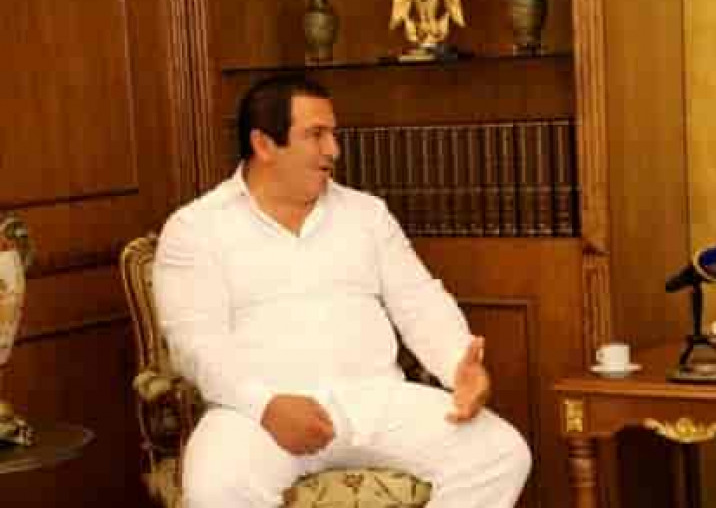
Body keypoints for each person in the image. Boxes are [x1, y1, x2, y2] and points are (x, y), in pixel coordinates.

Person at [153, 74, 531, 508]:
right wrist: (266, 405)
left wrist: (457, 365)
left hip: (375, 402)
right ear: (264, 144)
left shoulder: (367, 214)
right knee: (214, 489)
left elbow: (419, 301)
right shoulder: (196, 228)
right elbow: (196, 344)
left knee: (501, 455)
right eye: (316, 135)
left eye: (333, 134)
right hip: (256, 413)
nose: (333, 149)